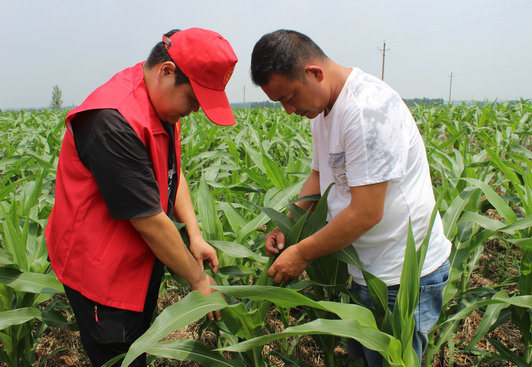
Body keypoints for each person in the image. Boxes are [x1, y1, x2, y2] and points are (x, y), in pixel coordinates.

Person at [250, 29, 451, 366]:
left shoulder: (365, 110)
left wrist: (301, 252)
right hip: (366, 270)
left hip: (401, 277)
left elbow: (365, 213)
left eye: (288, 97)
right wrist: (292, 224)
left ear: (314, 73)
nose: (287, 110)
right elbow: (319, 175)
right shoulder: (322, 107)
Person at [46, 28, 238, 366]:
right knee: (120, 354)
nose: (193, 110)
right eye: (193, 100)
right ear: (167, 71)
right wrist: (197, 278)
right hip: (102, 277)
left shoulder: (161, 103)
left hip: (138, 262)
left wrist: (194, 233)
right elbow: (149, 221)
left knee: (138, 342)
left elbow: (170, 173)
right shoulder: (111, 120)